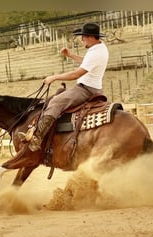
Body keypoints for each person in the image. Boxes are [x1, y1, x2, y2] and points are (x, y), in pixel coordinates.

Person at [18, 22, 109, 152]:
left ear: (90, 37)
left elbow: (77, 73)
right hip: (90, 87)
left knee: (56, 102)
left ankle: (37, 138)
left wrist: (55, 77)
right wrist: (70, 55)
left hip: (86, 89)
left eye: (83, 36)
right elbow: (87, 61)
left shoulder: (95, 52)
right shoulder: (99, 48)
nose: (81, 39)